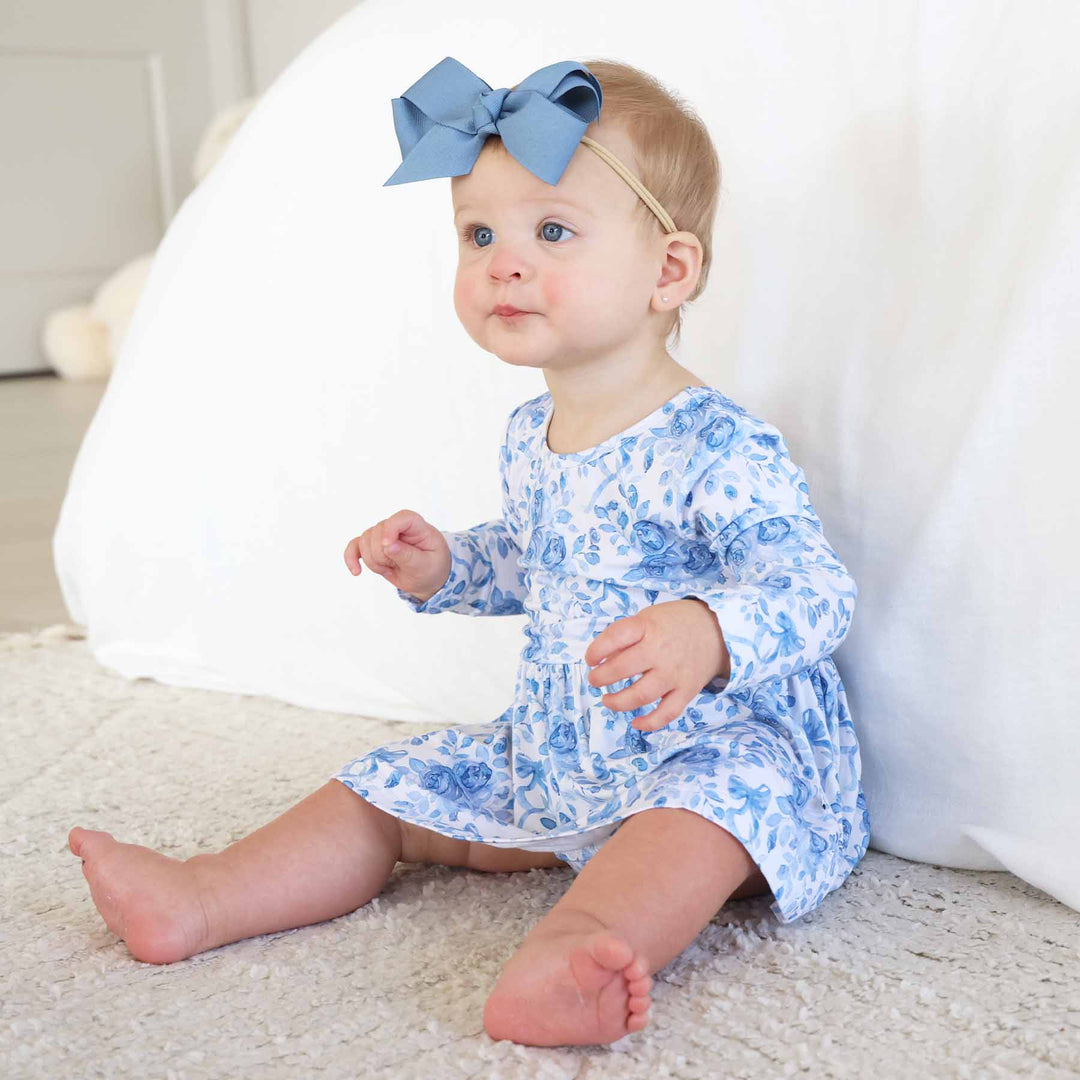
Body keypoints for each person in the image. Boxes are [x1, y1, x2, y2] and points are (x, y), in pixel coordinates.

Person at [68, 56, 870, 1048]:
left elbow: (815, 591)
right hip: (562, 746)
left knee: (690, 829)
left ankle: (574, 952)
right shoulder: (529, 435)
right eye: (479, 233)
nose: (503, 261)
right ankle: (203, 895)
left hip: (712, 748)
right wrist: (449, 564)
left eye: (552, 231)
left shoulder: (716, 445)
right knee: (387, 788)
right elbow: (542, 564)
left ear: (669, 270)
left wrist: (707, 631)